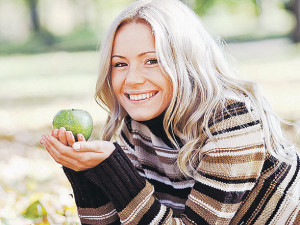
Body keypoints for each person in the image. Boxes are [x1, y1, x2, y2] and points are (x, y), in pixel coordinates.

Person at [40, 0, 300, 224]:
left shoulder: (232, 119)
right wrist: (86, 171)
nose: (131, 80)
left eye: (152, 60)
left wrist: (116, 170)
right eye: (120, 64)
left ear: (187, 62)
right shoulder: (135, 128)